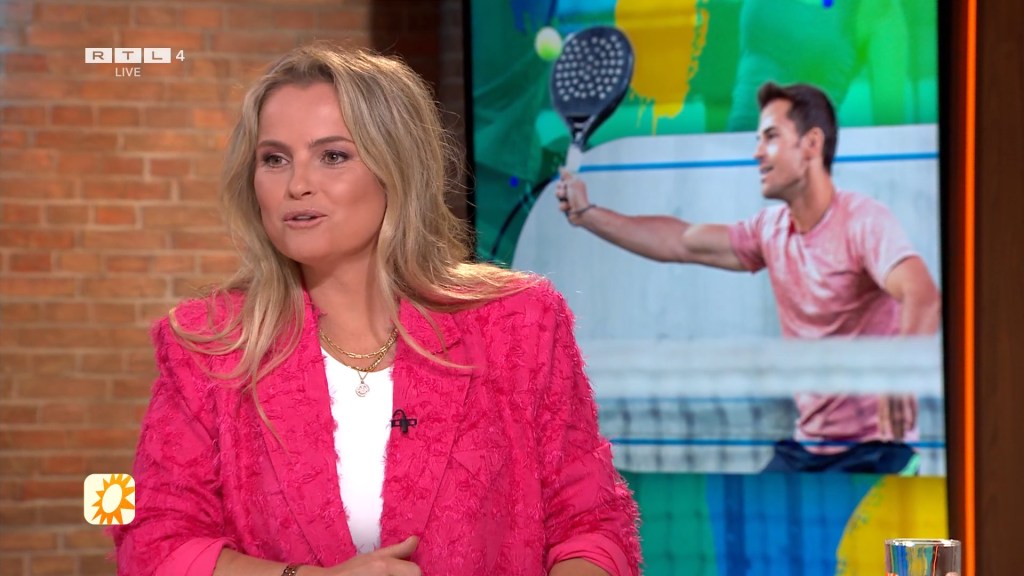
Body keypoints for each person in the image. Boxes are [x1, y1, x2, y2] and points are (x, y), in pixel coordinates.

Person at [111, 43, 641, 576]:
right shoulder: (209, 344)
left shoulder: (519, 322)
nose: (297, 185)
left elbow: (592, 525)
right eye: (274, 159)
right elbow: (152, 540)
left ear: (396, 167)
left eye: (333, 156)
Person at [554, 81, 941, 474]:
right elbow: (681, 242)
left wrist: (898, 376)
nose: (757, 152)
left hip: (878, 449)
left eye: (771, 137)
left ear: (811, 144)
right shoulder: (770, 230)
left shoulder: (863, 221)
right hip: (810, 446)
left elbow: (922, 295)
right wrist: (587, 214)